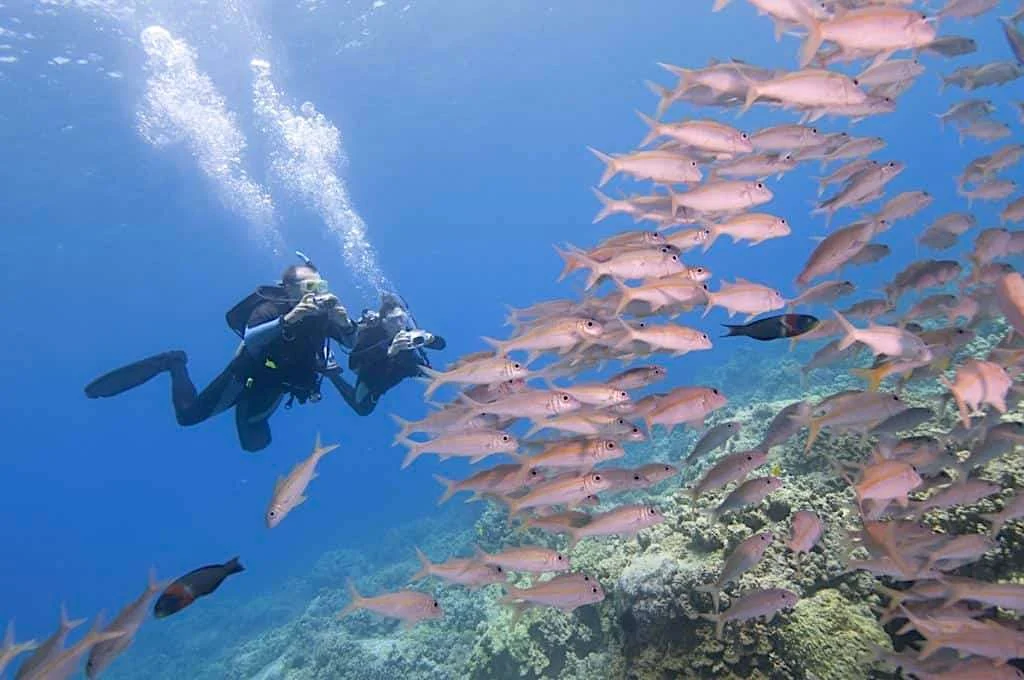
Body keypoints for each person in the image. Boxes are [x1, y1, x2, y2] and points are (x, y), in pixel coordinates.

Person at [84, 253, 358, 452]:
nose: (319, 293)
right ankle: (174, 362)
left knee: (256, 445)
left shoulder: (326, 315)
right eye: (311, 287)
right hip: (246, 375)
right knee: (188, 417)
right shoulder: (271, 308)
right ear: (290, 289)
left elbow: (351, 346)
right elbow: (251, 340)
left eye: (321, 286)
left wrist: (345, 323)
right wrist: (287, 320)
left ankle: (243, 414)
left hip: (279, 385)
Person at [326, 293, 446, 416]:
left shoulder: (410, 332)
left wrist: (430, 339)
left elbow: (441, 345)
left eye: (402, 318)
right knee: (362, 408)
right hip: (374, 373)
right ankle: (332, 372)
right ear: (384, 322)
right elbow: (354, 364)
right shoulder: (370, 335)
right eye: (394, 320)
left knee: (434, 377)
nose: (400, 324)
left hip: (403, 368)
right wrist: (389, 351)